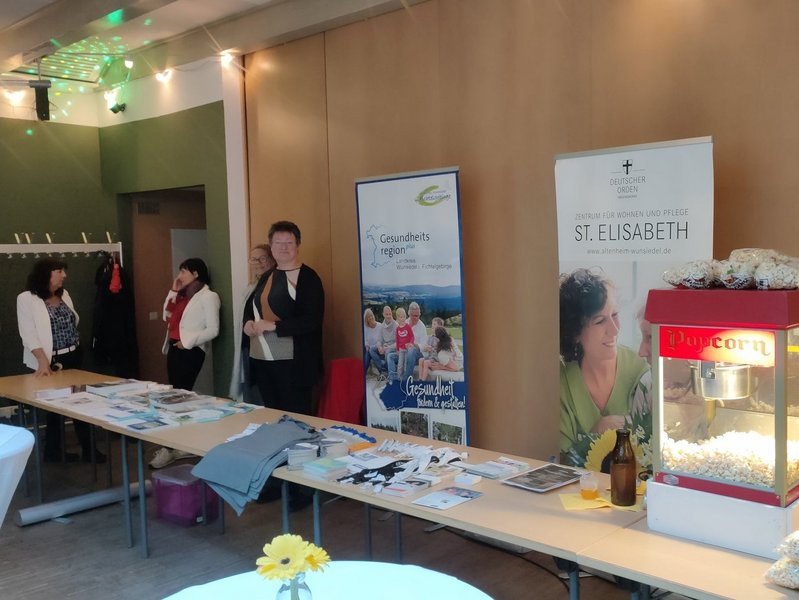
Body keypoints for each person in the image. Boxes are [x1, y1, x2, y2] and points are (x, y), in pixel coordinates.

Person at [559, 268, 650, 468]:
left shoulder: (642, 371)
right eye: (600, 321)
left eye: (615, 314)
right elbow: (558, 464)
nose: (615, 329)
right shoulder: (560, 383)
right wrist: (596, 432)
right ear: (574, 332)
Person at [16, 258, 104, 463]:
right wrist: (42, 361)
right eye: (59, 271)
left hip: (73, 355)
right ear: (45, 274)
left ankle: (89, 450)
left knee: (81, 402)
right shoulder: (26, 298)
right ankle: (53, 452)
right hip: (49, 359)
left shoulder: (64, 295)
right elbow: (28, 334)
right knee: (54, 408)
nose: (64, 275)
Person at [243, 220, 324, 415]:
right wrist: (247, 323)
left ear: (297, 245)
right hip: (263, 359)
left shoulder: (308, 277)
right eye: (278, 243)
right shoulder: (267, 275)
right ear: (271, 247)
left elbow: (312, 320)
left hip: (293, 363)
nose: (283, 247)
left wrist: (273, 326)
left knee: (296, 417)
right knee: (272, 416)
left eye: (289, 242)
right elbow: (251, 308)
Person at [150, 258, 220, 468]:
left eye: (184, 271)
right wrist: (173, 290)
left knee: (180, 398)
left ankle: (172, 447)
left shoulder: (208, 296)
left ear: (196, 273)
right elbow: (166, 315)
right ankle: (178, 444)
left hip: (190, 350)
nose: (180, 275)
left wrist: (187, 343)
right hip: (174, 347)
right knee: (175, 396)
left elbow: (213, 329)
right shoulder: (182, 294)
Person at [230, 244, 275, 402]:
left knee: (263, 396)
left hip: (267, 347)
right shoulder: (252, 286)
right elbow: (247, 313)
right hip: (249, 344)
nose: (258, 263)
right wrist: (247, 322)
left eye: (262, 258)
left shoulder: (274, 284)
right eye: (253, 259)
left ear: (272, 259)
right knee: (251, 394)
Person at [368, 305, 396, 378]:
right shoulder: (382, 326)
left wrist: (387, 347)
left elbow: (398, 343)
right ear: (383, 314)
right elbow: (379, 340)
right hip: (384, 346)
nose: (388, 316)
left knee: (387, 351)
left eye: (390, 314)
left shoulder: (396, 325)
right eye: (387, 314)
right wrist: (379, 347)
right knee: (371, 349)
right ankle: (382, 370)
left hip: (393, 347)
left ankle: (387, 371)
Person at [402, 301, 428, 380]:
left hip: (418, 355)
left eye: (417, 316)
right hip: (404, 351)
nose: (415, 318)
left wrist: (413, 345)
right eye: (413, 315)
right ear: (409, 314)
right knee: (390, 355)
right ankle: (391, 378)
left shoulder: (422, 326)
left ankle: (406, 380)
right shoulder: (404, 323)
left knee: (411, 350)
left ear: (420, 314)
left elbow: (424, 346)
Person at [389, 307, 413, 382]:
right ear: (397, 318)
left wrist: (410, 343)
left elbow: (412, 336)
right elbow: (397, 340)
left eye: (404, 317)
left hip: (407, 349)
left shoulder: (408, 326)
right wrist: (397, 349)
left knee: (405, 365)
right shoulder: (397, 329)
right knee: (400, 365)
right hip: (401, 350)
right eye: (401, 317)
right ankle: (398, 378)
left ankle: (405, 380)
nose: (402, 319)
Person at [362, 308, 381, 376]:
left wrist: (376, 346)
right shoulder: (365, 328)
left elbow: (381, 339)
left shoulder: (379, 325)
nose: (370, 317)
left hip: (378, 347)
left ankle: (363, 373)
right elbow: (365, 340)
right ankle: (381, 371)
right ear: (366, 319)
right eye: (368, 317)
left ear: (373, 316)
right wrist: (367, 345)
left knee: (370, 351)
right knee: (369, 352)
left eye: (371, 315)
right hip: (370, 349)